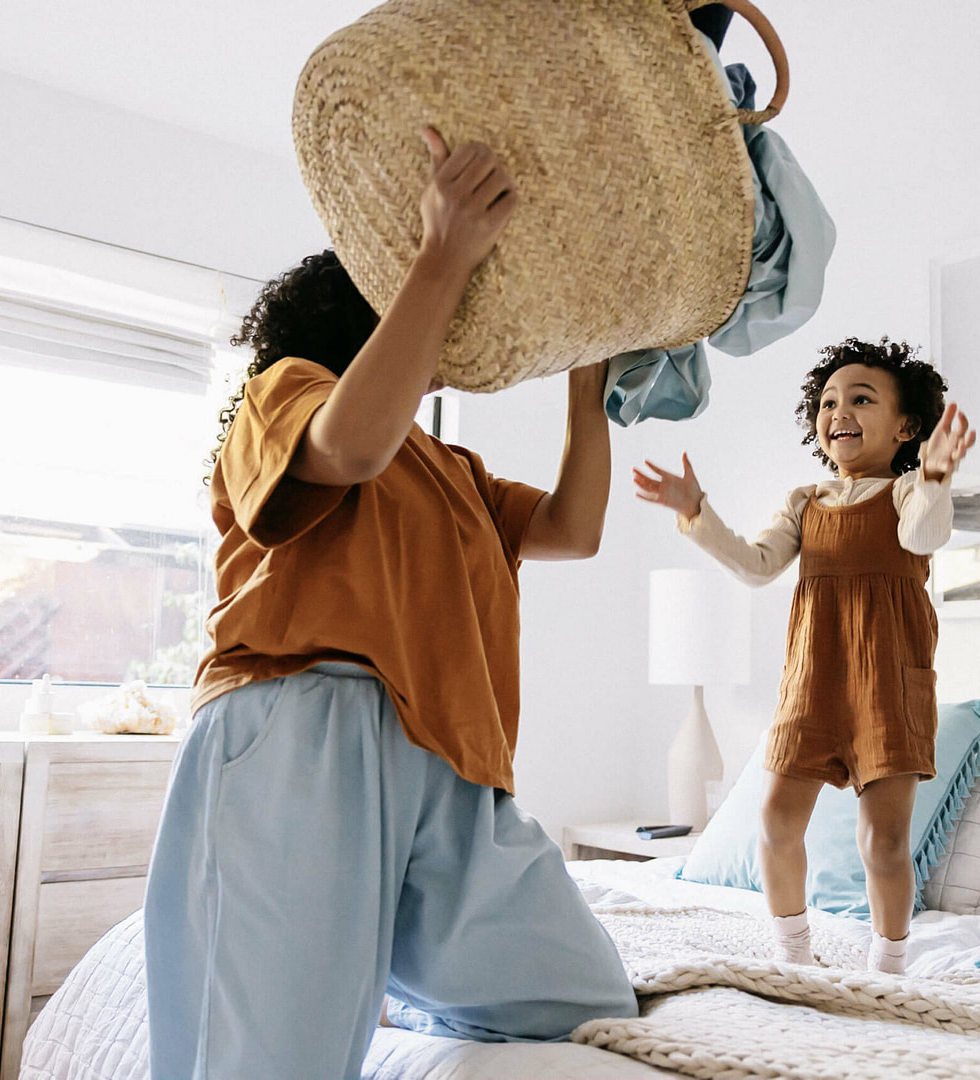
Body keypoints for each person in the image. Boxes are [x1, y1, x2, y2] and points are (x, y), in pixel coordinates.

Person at [143, 129, 637, 1078]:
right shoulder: (281, 392)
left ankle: (362, 970)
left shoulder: (453, 467)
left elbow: (576, 530)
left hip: (452, 760)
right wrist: (441, 254)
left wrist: (589, 392)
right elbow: (347, 450)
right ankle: (338, 972)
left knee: (578, 994)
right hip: (303, 725)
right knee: (267, 1059)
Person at [632, 337, 975, 973]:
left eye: (861, 398)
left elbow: (925, 533)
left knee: (886, 839)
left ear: (907, 427)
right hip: (811, 682)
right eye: (828, 400)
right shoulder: (804, 502)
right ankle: (794, 957)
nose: (838, 409)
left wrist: (933, 476)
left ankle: (888, 968)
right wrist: (696, 513)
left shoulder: (906, 495)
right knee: (775, 822)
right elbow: (756, 565)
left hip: (888, 685)